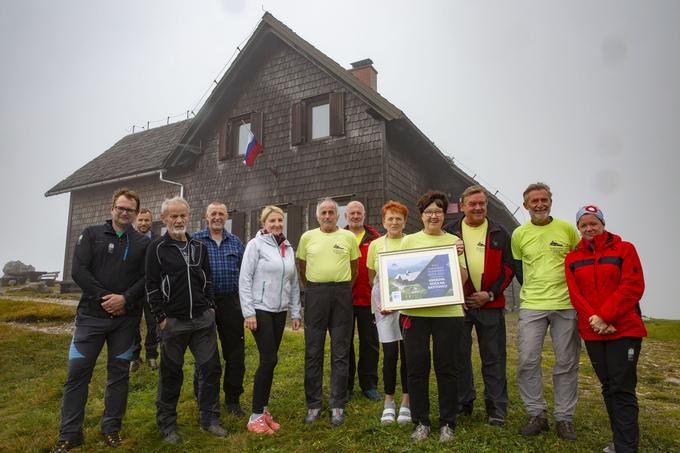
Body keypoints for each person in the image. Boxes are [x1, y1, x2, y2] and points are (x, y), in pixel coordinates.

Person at [53, 188, 148, 452]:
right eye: (120, 207)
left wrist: (125, 299)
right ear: (112, 208)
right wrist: (107, 298)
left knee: (118, 377)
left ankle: (111, 429)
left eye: (130, 209)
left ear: (136, 213)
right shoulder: (91, 234)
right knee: (77, 376)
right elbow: (79, 271)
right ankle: (70, 433)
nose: (124, 212)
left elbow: (146, 278)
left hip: (125, 321)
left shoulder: (143, 243)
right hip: (90, 319)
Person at [565, 205, 646, 453]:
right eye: (584, 225)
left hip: (624, 329)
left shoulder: (625, 249)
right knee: (608, 385)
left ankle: (626, 446)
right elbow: (575, 294)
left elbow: (632, 286)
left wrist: (606, 316)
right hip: (593, 331)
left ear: (602, 223)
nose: (589, 228)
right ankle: (620, 440)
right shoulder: (573, 258)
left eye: (594, 223)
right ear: (578, 228)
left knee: (622, 386)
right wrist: (594, 319)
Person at [145, 196, 226, 444]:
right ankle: (168, 425)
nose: (178, 220)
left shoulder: (199, 247)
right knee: (171, 374)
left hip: (202, 321)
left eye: (182, 215)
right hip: (173, 323)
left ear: (189, 217)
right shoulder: (157, 248)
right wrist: (160, 317)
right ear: (164, 219)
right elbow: (151, 286)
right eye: (173, 216)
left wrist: (210, 308)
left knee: (210, 369)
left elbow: (208, 279)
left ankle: (209, 419)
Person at [511, 182, 581, 440]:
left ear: (550, 201)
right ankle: (536, 414)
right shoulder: (519, 234)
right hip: (532, 305)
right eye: (534, 201)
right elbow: (518, 268)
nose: (539, 204)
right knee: (528, 359)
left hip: (565, 305)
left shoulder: (567, 230)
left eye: (544, 199)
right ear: (526, 204)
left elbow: (578, 264)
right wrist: (533, 288)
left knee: (566, 361)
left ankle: (564, 418)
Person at [399, 190, 468, 443]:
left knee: (447, 367)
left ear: (444, 214)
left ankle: (447, 422)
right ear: (421, 215)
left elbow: (462, 280)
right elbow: (400, 279)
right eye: (428, 212)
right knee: (417, 368)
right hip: (414, 314)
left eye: (438, 211)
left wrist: (458, 256)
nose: (433, 216)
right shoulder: (409, 242)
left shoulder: (454, 241)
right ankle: (421, 422)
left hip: (448, 313)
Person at [443, 185, 514, 426]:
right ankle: (465, 403)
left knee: (494, 357)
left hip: (490, 305)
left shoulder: (500, 232)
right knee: (459, 356)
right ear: (462, 206)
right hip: (459, 306)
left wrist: (491, 294)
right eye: (472, 204)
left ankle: (496, 408)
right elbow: (441, 266)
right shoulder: (449, 231)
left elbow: (508, 269)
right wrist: (456, 296)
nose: (477, 208)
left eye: (482, 203)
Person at [297, 197, 360, 426]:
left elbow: (354, 269)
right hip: (315, 295)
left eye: (331, 212)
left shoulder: (348, 237)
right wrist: (315, 289)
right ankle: (313, 405)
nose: (327, 216)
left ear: (338, 215)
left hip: (342, 294)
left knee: (341, 351)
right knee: (313, 351)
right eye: (323, 212)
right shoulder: (307, 237)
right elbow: (302, 268)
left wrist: (339, 288)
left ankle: (337, 405)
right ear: (317, 216)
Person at [239, 206, 302, 434]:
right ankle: (255, 416)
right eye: (272, 221)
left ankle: (264, 410)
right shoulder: (255, 246)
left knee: (271, 360)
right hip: (260, 309)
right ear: (263, 223)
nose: (277, 224)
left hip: (279, 312)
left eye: (280, 220)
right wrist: (248, 312)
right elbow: (245, 279)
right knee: (268, 359)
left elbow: (293, 283)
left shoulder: (287, 247)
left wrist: (296, 312)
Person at [193, 202, 246, 416]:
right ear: (206, 216)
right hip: (203, 304)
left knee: (235, 355)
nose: (217, 217)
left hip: (231, 303)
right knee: (205, 354)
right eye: (213, 214)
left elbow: (244, 274)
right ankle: (203, 398)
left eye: (221, 214)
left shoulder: (235, 242)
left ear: (227, 217)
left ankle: (232, 400)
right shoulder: (195, 240)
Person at [366, 201, 411, 425]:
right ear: (383, 221)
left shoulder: (412, 241)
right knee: (390, 354)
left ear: (405, 221)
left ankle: (406, 401)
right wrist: (385, 299)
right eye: (390, 218)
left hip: (409, 306)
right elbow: (371, 277)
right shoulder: (375, 245)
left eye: (398, 218)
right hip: (384, 306)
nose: (394, 222)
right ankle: (388, 401)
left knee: (408, 354)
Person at [344, 200, 381, 401]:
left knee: (370, 343)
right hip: (345, 300)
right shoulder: (339, 237)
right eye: (352, 213)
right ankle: (346, 385)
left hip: (369, 300)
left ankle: (369, 384)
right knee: (344, 344)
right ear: (346, 216)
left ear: (364, 215)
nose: (355, 216)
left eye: (359, 213)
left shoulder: (375, 239)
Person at [130, 208, 159, 372]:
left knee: (153, 324)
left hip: (152, 289)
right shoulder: (129, 238)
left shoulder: (157, 240)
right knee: (133, 324)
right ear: (135, 221)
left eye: (146, 220)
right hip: (133, 289)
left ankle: (152, 355)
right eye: (140, 220)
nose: (143, 223)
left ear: (151, 221)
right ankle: (134, 357)